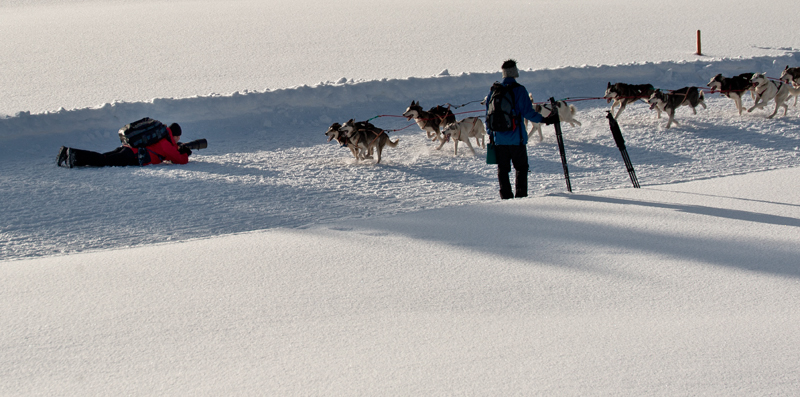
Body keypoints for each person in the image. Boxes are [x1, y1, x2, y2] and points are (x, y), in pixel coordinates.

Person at [486, 59, 557, 199]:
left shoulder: (494, 91)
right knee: (521, 168)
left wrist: (491, 134)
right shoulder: (519, 90)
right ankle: (521, 197)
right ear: (514, 72)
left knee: (503, 170)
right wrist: (545, 119)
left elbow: (487, 114)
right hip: (516, 138)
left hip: (499, 139)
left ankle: (505, 196)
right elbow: (528, 112)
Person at [56, 121, 191, 168]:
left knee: (103, 158)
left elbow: (164, 155)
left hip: (128, 149)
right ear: (174, 135)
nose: (179, 140)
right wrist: (185, 152)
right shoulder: (165, 143)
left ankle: (69, 154)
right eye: (178, 137)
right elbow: (180, 160)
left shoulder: (161, 137)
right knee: (103, 161)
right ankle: (72, 155)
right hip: (132, 156)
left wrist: (179, 149)